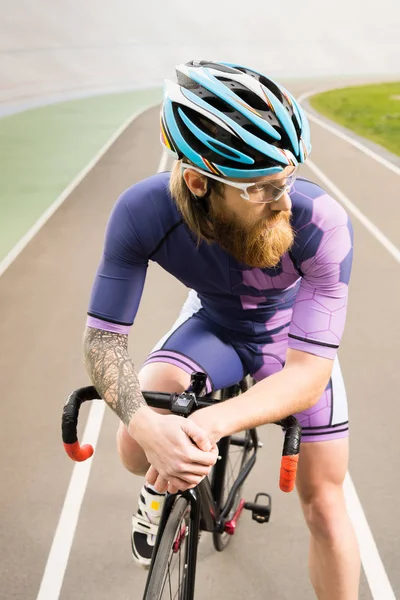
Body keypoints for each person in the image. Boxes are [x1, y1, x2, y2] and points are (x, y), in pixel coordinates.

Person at [83, 60, 359, 598]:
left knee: (326, 507)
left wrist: (206, 427)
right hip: (214, 321)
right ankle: (157, 487)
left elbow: (306, 378)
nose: (283, 200)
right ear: (198, 181)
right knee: (132, 448)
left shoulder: (321, 223)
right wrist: (147, 425)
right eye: (260, 188)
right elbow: (103, 340)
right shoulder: (142, 212)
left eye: (288, 177)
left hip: (289, 340)